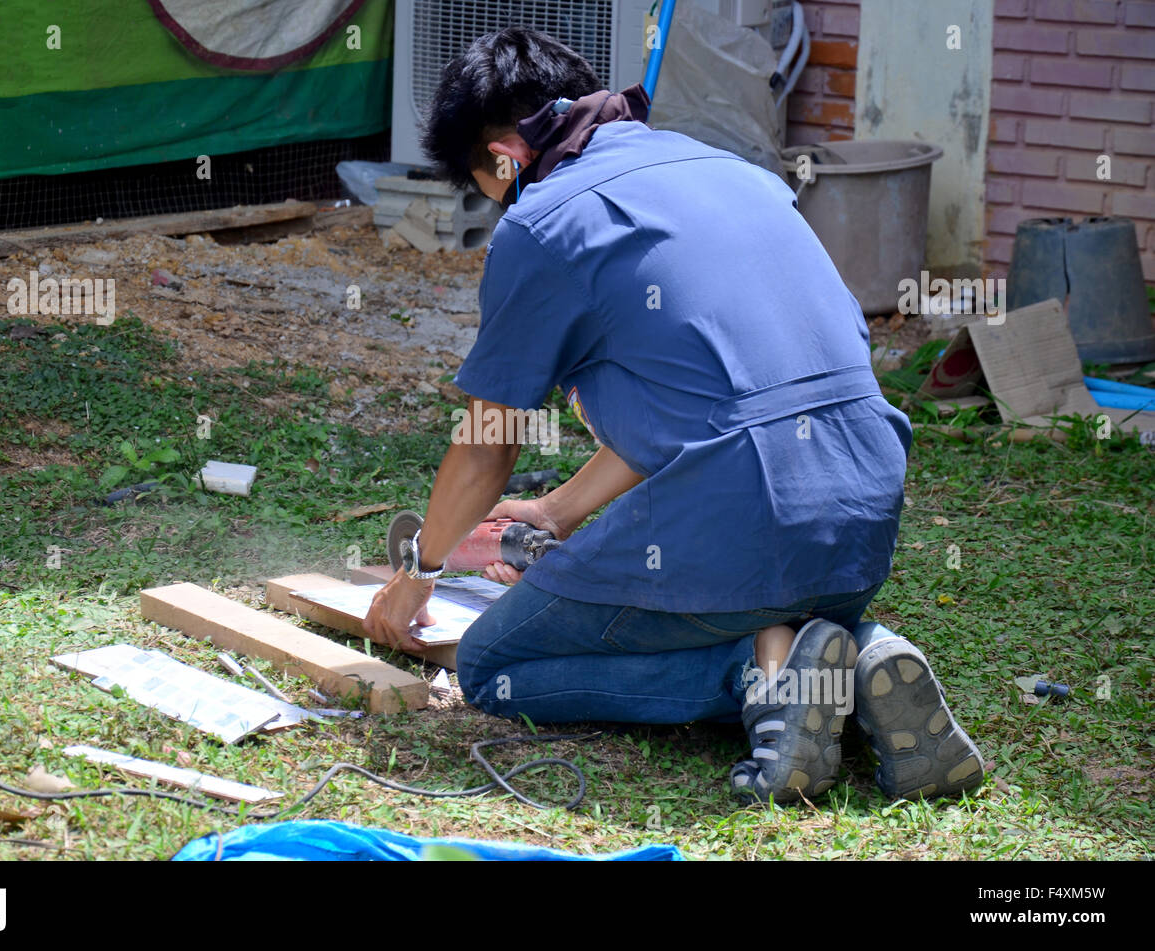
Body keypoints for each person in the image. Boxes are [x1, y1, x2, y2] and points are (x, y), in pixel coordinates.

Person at [363, 27, 984, 804]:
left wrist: (417, 577)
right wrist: (556, 510)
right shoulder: (735, 173)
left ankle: (765, 678)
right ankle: (860, 651)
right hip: (859, 522)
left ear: (503, 158)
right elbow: (708, 393)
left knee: (496, 665)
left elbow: (489, 444)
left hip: (745, 521)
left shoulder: (542, 221)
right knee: (757, 570)